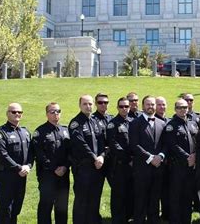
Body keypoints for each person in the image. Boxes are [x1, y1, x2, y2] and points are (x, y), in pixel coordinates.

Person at [0, 102, 33, 224]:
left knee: (16, 207)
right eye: (13, 112)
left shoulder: (25, 132)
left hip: (21, 175)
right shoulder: (0, 133)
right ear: (7, 114)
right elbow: (2, 155)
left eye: (19, 112)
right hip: (6, 175)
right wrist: (18, 168)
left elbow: (31, 152)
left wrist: (28, 166)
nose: (17, 114)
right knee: (6, 208)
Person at [69, 95, 107, 224]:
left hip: (98, 167)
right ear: (80, 105)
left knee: (95, 198)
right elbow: (80, 143)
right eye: (85, 104)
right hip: (83, 168)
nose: (88, 106)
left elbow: (103, 141)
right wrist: (94, 158)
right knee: (82, 199)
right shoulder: (75, 123)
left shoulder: (96, 121)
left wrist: (102, 156)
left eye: (90, 104)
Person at [129, 95, 167, 224]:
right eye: (148, 104)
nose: (150, 107)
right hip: (142, 169)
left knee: (155, 201)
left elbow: (165, 144)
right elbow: (134, 145)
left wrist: (161, 156)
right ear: (143, 106)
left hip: (158, 169)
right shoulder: (135, 123)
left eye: (152, 104)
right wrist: (150, 158)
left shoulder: (162, 123)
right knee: (140, 201)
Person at [33, 102, 70, 224]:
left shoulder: (66, 130)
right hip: (47, 175)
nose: (56, 114)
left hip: (64, 174)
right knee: (46, 205)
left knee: (62, 206)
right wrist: (54, 168)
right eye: (52, 111)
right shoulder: (40, 132)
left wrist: (65, 166)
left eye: (58, 111)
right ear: (47, 114)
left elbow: (71, 151)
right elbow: (39, 154)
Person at [164, 99, 198, 224]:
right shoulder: (171, 125)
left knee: (188, 196)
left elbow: (196, 142)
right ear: (175, 109)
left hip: (191, 166)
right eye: (179, 107)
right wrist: (187, 157)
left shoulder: (192, 124)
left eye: (184, 107)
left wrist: (194, 156)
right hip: (177, 166)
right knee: (176, 196)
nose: (183, 109)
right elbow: (172, 144)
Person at [106, 97, 134, 224]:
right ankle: (117, 220)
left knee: (130, 193)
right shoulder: (113, 123)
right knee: (118, 195)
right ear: (117, 108)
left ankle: (128, 217)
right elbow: (113, 144)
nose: (124, 109)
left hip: (133, 165)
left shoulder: (133, 121)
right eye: (121, 106)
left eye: (126, 106)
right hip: (119, 165)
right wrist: (129, 157)